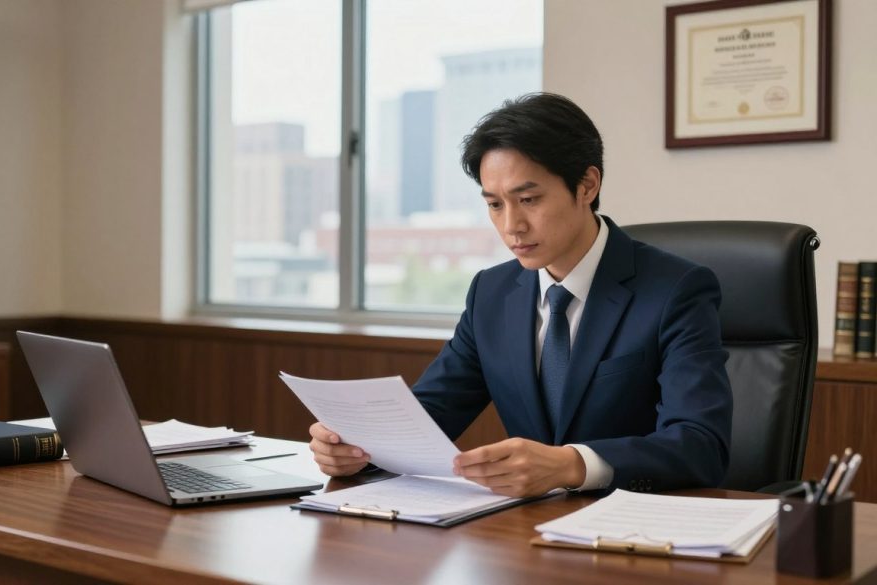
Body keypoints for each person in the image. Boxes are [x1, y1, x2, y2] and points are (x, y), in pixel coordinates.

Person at [308, 93, 733, 498]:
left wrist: (572, 465)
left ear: (586, 185)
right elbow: (428, 418)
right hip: (522, 532)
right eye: (494, 204)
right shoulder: (491, 293)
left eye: (528, 199)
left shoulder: (676, 290)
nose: (512, 225)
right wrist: (355, 449)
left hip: (634, 533)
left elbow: (699, 445)